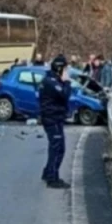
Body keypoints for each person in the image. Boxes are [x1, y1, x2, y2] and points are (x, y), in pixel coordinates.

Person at [39, 54, 73, 189]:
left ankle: (48, 172)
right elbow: (64, 95)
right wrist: (67, 81)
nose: (66, 71)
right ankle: (53, 179)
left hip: (55, 117)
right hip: (52, 119)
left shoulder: (52, 79)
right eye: (65, 68)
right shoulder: (51, 82)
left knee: (55, 147)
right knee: (58, 148)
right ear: (59, 68)